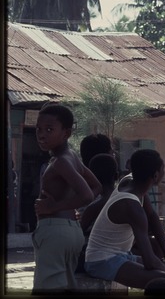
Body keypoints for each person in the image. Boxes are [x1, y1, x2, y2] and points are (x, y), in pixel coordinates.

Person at [84, 149, 165, 291]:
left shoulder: (130, 182)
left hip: (121, 255)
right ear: (156, 175)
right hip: (102, 261)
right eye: (163, 169)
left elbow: (152, 216)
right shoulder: (132, 207)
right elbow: (149, 261)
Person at [32, 103, 102, 294]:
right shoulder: (70, 156)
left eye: (49, 129)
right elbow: (97, 186)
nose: (41, 134)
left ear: (66, 133)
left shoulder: (62, 161)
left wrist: (54, 207)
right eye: (38, 129)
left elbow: (87, 194)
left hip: (55, 232)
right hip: (70, 231)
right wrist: (71, 208)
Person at [76, 153, 119, 273]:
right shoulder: (125, 200)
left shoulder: (88, 203)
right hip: (113, 252)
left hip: (93, 254)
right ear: (117, 176)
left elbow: (79, 233)